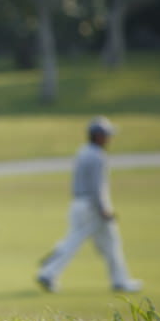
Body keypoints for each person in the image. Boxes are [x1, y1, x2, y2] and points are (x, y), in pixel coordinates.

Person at [36, 116, 142, 293]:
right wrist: (104, 209)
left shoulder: (83, 151)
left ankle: (119, 280)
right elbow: (97, 187)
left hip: (79, 204)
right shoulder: (97, 156)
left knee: (104, 242)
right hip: (91, 207)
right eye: (107, 135)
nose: (109, 139)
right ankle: (48, 272)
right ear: (98, 137)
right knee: (82, 242)